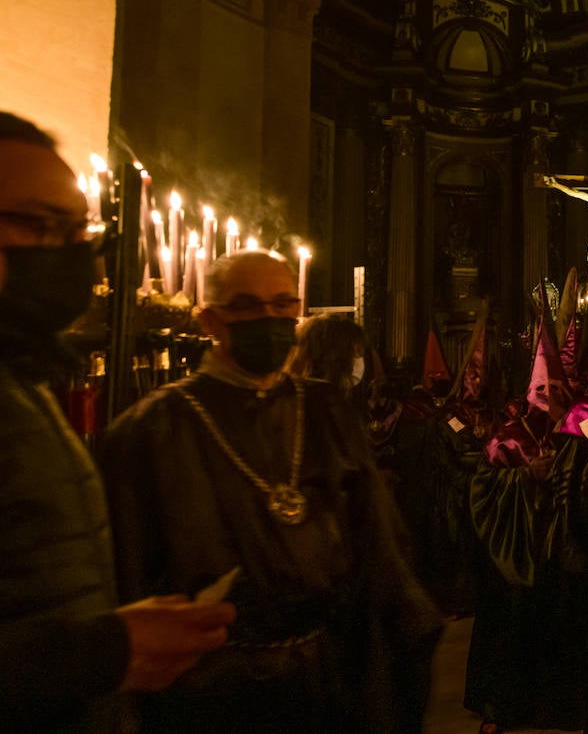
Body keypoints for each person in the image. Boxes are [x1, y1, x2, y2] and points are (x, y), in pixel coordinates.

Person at [99, 249, 443, 733]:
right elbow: (131, 574)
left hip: (326, 681)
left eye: (284, 305)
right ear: (210, 321)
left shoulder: (325, 408)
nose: (271, 319)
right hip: (208, 693)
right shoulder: (154, 428)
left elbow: (379, 547)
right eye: (249, 306)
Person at [0, 112, 236, 732]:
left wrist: (115, 635)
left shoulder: (21, 380)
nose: (75, 252)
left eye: (77, 229)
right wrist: (110, 650)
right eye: (38, 225)